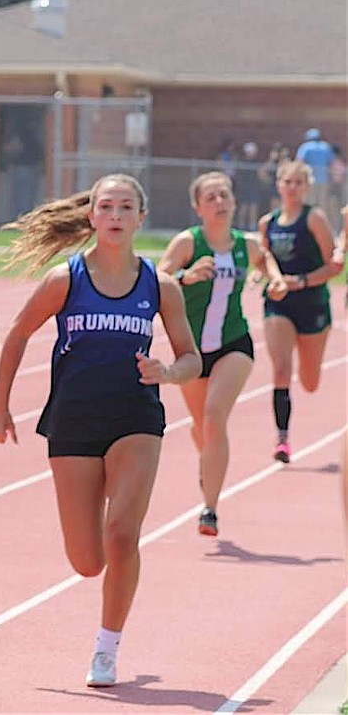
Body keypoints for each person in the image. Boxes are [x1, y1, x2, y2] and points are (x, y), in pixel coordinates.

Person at [0, 174, 201, 688]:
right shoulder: (66, 279)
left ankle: (107, 648)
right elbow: (15, 334)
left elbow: (191, 357)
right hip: (74, 423)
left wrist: (168, 373)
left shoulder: (159, 285)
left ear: (141, 218)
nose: (118, 215)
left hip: (136, 420)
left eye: (127, 206)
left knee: (122, 536)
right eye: (108, 206)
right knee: (86, 561)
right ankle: (104, 568)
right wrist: (0, 407)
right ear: (92, 217)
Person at [157, 172, 277, 536]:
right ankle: (209, 465)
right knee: (201, 427)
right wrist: (187, 277)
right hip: (191, 349)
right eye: (210, 197)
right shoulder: (187, 243)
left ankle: (209, 508)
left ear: (234, 202)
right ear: (198, 207)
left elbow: (265, 261)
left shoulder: (246, 244)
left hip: (234, 343)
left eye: (224, 195)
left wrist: (275, 278)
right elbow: (158, 280)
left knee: (213, 417)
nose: (219, 202)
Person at [258, 159, 340, 464]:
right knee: (281, 370)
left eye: (298, 183)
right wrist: (265, 276)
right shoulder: (268, 222)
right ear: (278, 184)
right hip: (279, 303)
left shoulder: (313, 219)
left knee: (310, 381)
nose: (292, 188)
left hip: (312, 304)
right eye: (287, 181)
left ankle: (311, 372)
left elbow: (334, 265)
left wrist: (302, 281)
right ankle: (282, 439)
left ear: (306, 187)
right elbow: (264, 260)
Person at [295, 128, 335, 219]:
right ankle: (322, 222)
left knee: (309, 203)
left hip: (309, 180)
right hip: (324, 179)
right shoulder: (326, 146)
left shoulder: (305, 147)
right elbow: (332, 163)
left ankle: (309, 223)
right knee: (322, 204)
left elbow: (299, 162)